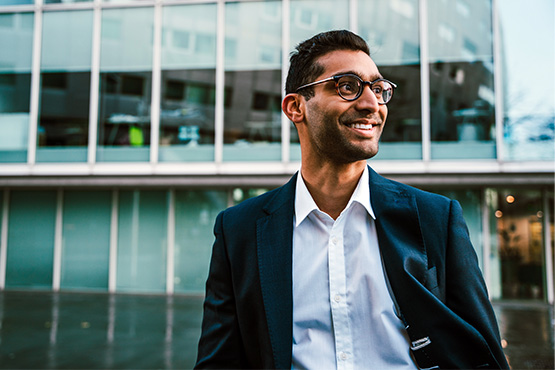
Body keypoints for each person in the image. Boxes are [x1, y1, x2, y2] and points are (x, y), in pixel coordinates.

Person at [195, 30, 509, 370]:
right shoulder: (238, 230)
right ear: (295, 107)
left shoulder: (436, 218)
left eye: (378, 89)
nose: (371, 104)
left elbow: (483, 357)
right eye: (347, 86)